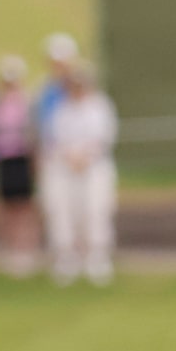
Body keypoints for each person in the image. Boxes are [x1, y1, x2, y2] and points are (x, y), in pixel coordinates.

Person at [41, 61, 117, 286]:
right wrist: (69, 156)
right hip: (65, 169)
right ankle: (67, 256)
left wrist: (86, 156)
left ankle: (96, 256)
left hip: (93, 168)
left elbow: (104, 137)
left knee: (95, 210)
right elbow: (54, 139)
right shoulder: (61, 109)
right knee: (65, 212)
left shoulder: (100, 107)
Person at [0, 55, 39, 277]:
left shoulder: (27, 102)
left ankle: (26, 250)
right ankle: (10, 250)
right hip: (3, 158)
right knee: (7, 206)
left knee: (24, 205)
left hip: (22, 157)